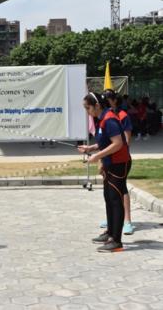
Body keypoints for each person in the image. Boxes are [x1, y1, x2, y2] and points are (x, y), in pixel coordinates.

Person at [78, 92, 131, 253]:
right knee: (109, 198)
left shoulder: (109, 119)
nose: (87, 111)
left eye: (88, 108)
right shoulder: (102, 119)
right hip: (110, 164)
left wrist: (97, 157)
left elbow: (118, 144)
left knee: (116, 200)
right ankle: (110, 233)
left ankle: (117, 241)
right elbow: (105, 142)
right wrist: (91, 148)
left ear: (97, 106)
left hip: (119, 164)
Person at [102, 89, 134, 235]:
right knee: (111, 192)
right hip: (110, 160)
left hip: (121, 159)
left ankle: (127, 221)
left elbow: (126, 141)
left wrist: (116, 152)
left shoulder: (123, 115)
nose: (105, 102)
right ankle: (112, 220)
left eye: (107, 99)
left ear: (114, 100)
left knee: (122, 189)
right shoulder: (107, 116)